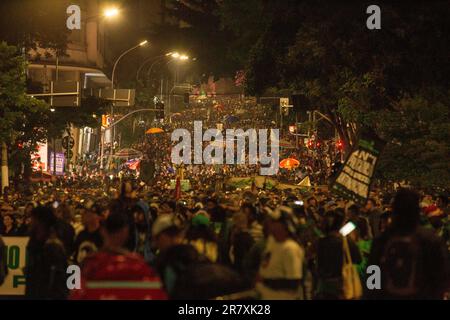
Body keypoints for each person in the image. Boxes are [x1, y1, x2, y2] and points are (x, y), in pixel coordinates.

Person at [367, 188, 449, 299]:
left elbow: (372, 276)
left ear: (395, 210)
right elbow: (441, 277)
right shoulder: (431, 239)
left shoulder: (382, 239)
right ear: (417, 211)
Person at [70, 212, 167, 300]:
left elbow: (75, 293)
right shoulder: (140, 266)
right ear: (125, 232)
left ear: (103, 231)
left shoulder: (89, 265)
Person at [256, 206, 305, 300]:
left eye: (275, 222)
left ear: (284, 225)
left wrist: (265, 281)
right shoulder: (272, 243)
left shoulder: (290, 248)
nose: (271, 224)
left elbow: (293, 282)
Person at [315, 209, 362, 300]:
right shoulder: (346, 241)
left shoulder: (321, 241)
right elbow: (358, 259)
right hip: (342, 286)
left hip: (323, 287)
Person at [24, 206, 69, 299]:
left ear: (40, 222)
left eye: (32, 219)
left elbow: (56, 282)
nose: (30, 222)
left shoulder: (52, 247)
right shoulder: (35, 242)